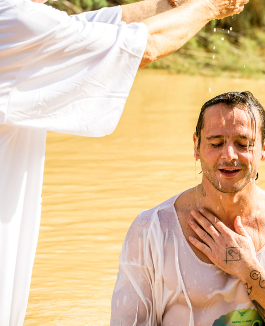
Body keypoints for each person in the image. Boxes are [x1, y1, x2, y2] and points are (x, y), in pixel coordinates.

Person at [0, 0, 248, 324]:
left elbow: (101, 24)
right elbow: (145, 46)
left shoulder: (13, 20)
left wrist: (176, 4)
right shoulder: (15, 19)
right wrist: (210, 7)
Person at [111, 91, 265, 326]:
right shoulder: (151, 230)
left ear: (264, 148)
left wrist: (248, 270)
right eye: (216, 143)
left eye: (243, 144)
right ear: (196, 147)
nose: (229, 155)